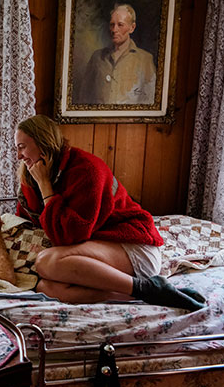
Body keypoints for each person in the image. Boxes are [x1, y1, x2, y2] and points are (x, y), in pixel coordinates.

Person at [15, 114, 205, 311]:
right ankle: (154, 293)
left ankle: (147, 286)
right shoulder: (34, 176)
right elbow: (27, 221)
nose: (19, 156)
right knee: (46, 287)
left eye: (22, 147)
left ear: (43, 143)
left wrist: (46, 187)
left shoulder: (86, 169)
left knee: (47, 262)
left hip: (134, 247)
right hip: (99, 252)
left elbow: (70, 236)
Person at [76, 3, 156, 105]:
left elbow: (150, 101)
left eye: (120, 25)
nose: (114, 30)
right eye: (112, 24)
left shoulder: (145, 59)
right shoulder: (97, 57)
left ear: (132, 27)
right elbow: (84, 97)